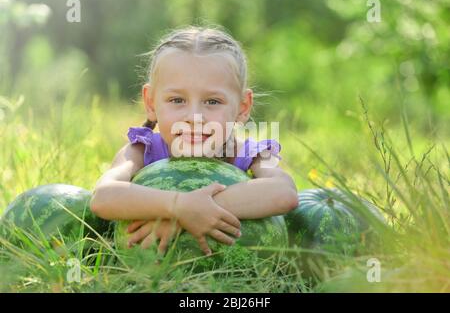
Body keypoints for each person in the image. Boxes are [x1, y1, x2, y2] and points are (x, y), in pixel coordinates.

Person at [90, 26, 298, 256]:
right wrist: (178, 206)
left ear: (242, 107)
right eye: (177, 100)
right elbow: (104, 197)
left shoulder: (251, 152)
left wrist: (191, 212)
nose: (194, 117)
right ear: (150, 103)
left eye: (212, 102)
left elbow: (284, 192)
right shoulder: (141, 150)